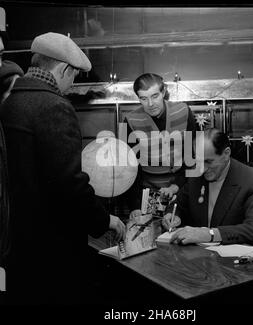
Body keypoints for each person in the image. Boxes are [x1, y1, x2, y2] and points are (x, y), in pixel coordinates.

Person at [0, 32, 125, 304]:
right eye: (74, 77)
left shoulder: (7, 101)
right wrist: (105, 220)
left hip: (15, 242)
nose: (71, 86)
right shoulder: (54, 106)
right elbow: (69, 184)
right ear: (64, 68)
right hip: (51, 248)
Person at [162, 128, 253, 246]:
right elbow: (179, 204)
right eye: (198, 161)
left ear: (226, 154)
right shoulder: (196, 175)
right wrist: (172, 216)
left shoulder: (252, 179)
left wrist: (210, 234)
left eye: (208, 161)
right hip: (197, 256)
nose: (203, 168)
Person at [124, 73, 199, 218]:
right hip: (150, 194)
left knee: (182, 232)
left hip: (183, 189)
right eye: (143, 98)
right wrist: (135, 205)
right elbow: (130, 167)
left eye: (155, 96)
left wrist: (176, 186)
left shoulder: (183, 111)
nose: (150, 104)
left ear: (163, 92)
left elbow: (193, 155)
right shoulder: (130, 120)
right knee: (155, 234)